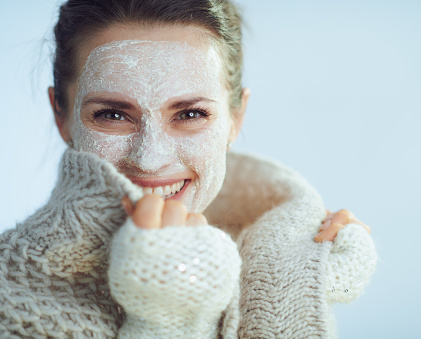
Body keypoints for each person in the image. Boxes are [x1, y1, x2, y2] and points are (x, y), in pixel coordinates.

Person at [0, 0, 377, 338]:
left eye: (190, 113)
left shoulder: (281, 262)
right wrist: (171, 321)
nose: (149, 158)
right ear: (60, 115)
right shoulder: (10, 293)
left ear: (236, 117)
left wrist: (305, 264)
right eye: (112, 115)